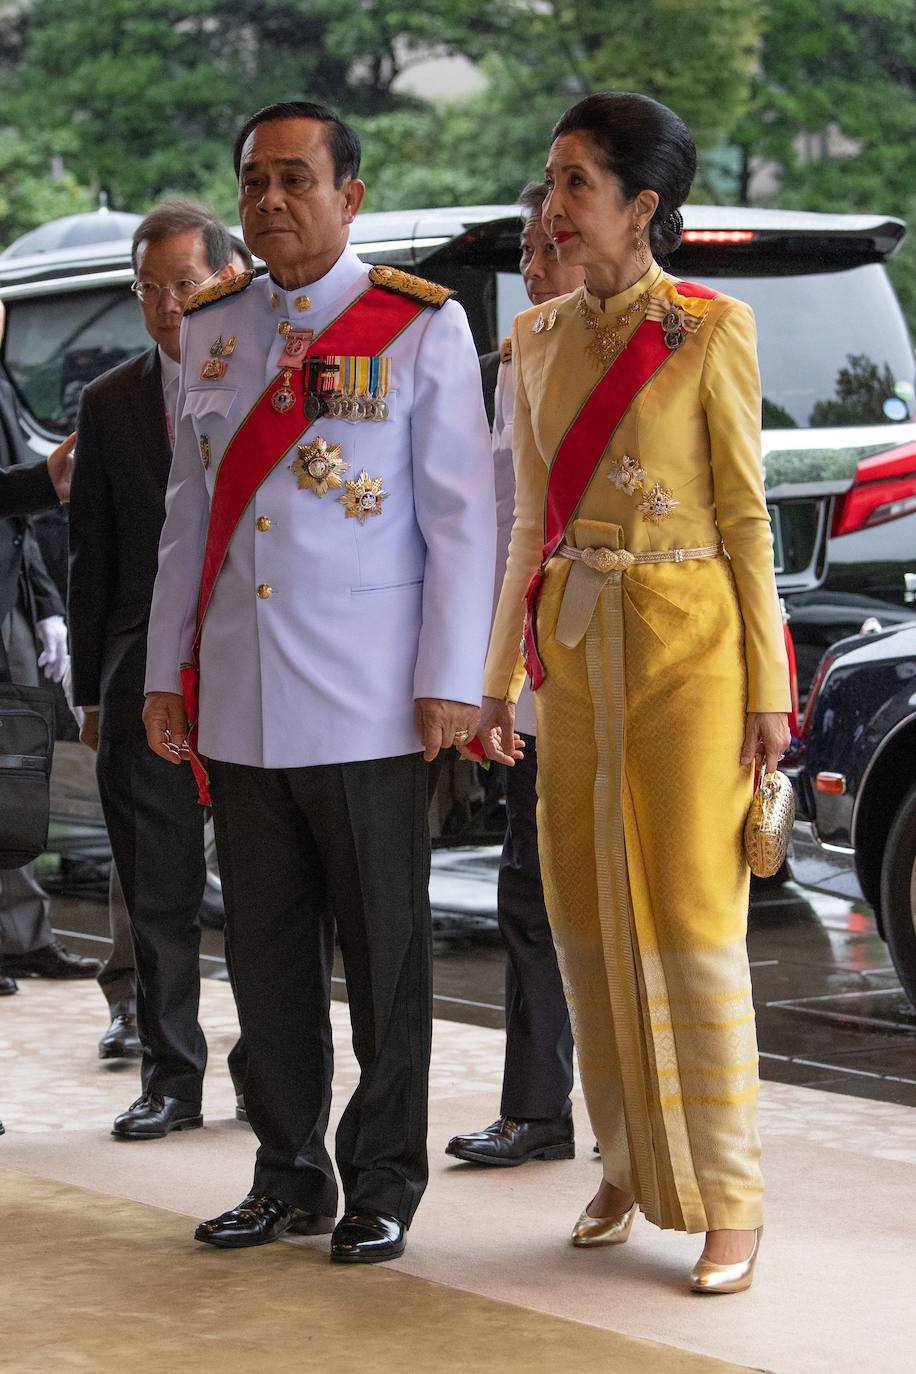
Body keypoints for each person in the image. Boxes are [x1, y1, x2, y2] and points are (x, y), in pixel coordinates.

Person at [142, 101, 495, 1262]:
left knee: (384, 955)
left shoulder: (414, 325)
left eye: (296, 179)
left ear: (350, 194)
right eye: (253, 182)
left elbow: (460, 523)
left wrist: (453, 677)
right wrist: (166, 671)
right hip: (241, 702)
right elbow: (186, 520)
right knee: (265, 954)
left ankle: (383, 1180)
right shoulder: (214, 326)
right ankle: (287, 1172)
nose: (272, 201)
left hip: (368, 698)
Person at [477, 92, 790, 1294]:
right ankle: (624, 1159)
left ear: (640, 205)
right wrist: (497, 678)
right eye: (551, 181)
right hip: (574, 649)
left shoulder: (711, 328)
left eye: (575, 184)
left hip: (692, 653)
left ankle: (728, 1197)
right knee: (585, 915)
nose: (553, 204)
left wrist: (770, 684)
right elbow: (524, 527)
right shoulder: (535, 339)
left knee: (692, 921)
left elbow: (748, 519)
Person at [69, 201, 243, 1137]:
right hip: (147, 675)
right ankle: (171, 1077)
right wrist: (93, 694)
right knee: (158, 887)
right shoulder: (111, 401)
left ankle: (272, 1074)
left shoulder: (271, 376)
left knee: (267, 890)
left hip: (259, 663)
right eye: (148, 289)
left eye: (184, 284)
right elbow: (90, 558)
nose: (167, 306)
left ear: (226, 275)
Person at [446, 182, 584, 1168]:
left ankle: (647, 1121)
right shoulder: (513, 361)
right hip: (538, 674)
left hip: (647, 672)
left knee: (634, 908)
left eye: (547, 249)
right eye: (528, 251)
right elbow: (500, 532)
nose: (530, 270)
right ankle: (537, 1108)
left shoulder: (674, 344)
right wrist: (487, 677)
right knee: (529, 894)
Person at [0, 314, 99, 995]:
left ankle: (20, 933)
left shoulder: (1, 382)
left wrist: (46, 608)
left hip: (7, 599)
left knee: (13, 770)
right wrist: (42, 480)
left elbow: (16, 523)